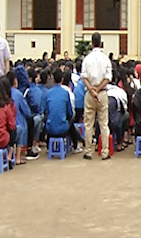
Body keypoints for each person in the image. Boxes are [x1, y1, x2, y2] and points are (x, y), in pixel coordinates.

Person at [80, 32, 112, 161]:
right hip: (102, 92)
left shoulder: (87, 59)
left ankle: (88, 151)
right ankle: (105, 151)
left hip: (89, 92)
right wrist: (98, 89)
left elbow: (84, 77)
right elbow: (108, 78)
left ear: (92, 43)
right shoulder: (105, 59)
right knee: (103, 124)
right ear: (100, 43)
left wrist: (92, 90)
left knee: (89, 124)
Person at [43, 69, 80, 153]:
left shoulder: (48, 93)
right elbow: (70, 113)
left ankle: (49, 146)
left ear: (53, 80)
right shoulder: (65, 93)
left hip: (49, 128)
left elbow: (46, 110)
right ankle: (75, 146)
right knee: (70, 120)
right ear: (62, 80)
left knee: (50, 118)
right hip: (63, 128)